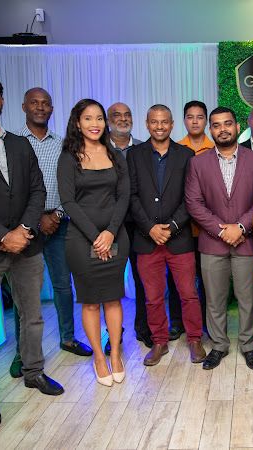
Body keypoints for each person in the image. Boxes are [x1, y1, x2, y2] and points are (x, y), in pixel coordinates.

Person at [0, 70, 64, 428]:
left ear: (2, 99)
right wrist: (3, 236)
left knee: (32, 315)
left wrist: (24, 230)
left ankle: (34, 372)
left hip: (26, 247)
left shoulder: (20, 144)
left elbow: (37, 190)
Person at [8, 88, 93, 380]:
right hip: (24, 227)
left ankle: (68, 338)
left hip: (60, 222)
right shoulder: (13, 143)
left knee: (63, 285)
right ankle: (22, 353)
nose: (40, 107)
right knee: (24, 293)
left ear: (52, 109)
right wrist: (34, 219)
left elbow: (73, 186)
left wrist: (56, 215)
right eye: (34, 103)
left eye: (45, 103)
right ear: (24, 106)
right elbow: (12, 189)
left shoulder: (63, 145)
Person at [185, 106, 253, 371]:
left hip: (246, 241)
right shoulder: (198, 163)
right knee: (214, 299)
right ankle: (219, 345)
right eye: (217, 125)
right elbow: (193, 203)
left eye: (227, 123)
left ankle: (249, 346)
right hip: (212, 243)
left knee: (247, 299)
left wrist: (241, 227)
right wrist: (222, 230)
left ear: (237, 127)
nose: (223, 129)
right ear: (211, 129)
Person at [57, 98, 130, 387]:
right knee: (90, 301)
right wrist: (96, 236)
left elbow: (123, 197)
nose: (95, 124)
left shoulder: (115, 155)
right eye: (88, 118)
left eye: (99, 118)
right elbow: (68, 202)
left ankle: (115, 355)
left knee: (113, 297)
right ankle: (99, 357)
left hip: (115, 235)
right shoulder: (69, 158)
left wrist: (110, 232)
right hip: (80, 238)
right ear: (77, 123)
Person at [128, 104, 205, 365]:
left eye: (164, 122)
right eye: (154, 122)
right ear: (147, 124)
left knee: (188, 294)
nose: (159, 126)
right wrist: (149, 227)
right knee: (153, 297)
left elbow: (190, 197)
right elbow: (131, 196)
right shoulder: (134, 155)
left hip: (179, 238)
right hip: (146, 239)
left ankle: (194, 339)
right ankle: (159, 341)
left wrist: (171, 227)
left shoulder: (186, 155)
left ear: (172, 124)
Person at [105, 102, 152, 352]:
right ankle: (113, 333)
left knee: (142, 279)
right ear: (108, 120)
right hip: (108, 229)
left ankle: (144, 328)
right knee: (109, 281)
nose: (122, 119)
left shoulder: (144, 149)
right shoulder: (98, 148)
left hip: (138, 227)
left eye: (127, 115)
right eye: (116, 115)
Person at [178, 100, 212, 334]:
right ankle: (183, 324)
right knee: (184, 281)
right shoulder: (176, 148)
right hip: (182, 228)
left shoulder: (215, 148)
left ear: (206, 121)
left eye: (199, 117)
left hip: (207, 228)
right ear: (184, 121)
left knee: (208, 280)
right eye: (190, 117)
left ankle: (209, 325)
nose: (195, 121)